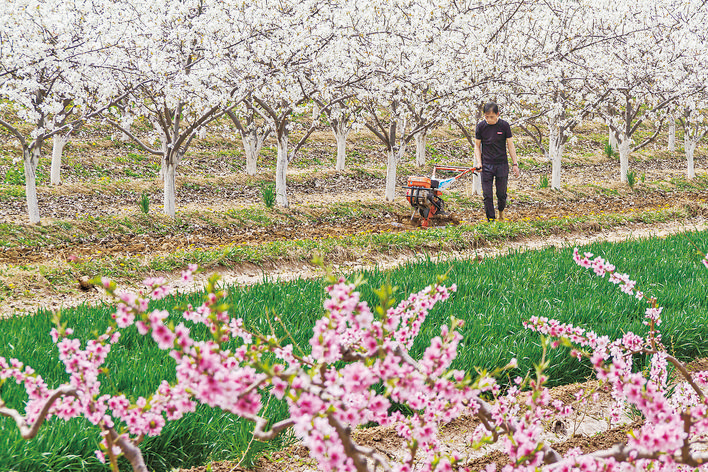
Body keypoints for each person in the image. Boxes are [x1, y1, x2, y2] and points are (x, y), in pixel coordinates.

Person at [474, 102, 520, 221]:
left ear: (497, 114)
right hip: (486, 165)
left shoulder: (504, 126)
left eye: (491, 117)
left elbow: (510, 145)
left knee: (501, 193)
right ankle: (491, 220)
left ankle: (501, 212)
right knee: (487, 195)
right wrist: (479, 162)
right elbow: (477, 146)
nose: (489, 119)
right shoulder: (480, 127)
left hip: (501, 164)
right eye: (486, 117)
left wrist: (515, 164)